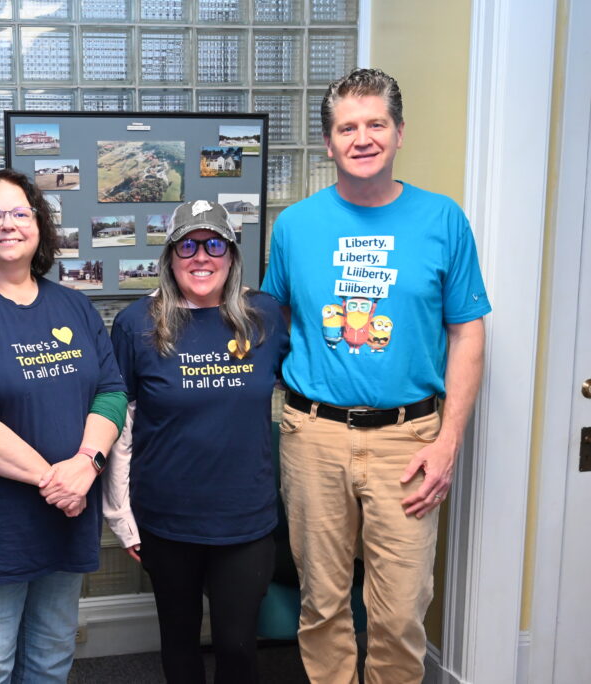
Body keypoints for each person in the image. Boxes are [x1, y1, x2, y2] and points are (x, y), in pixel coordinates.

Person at [260, 68, 490, 683]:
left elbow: (468, 331)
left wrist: (448, 442)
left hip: (409, 442)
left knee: (400, 611)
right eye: (347, 127)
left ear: (398, 133)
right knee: (323, 602)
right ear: (329, 143)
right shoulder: (295, 226)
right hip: (314, 436)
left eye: (375, 124)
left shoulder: (443, 220)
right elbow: (272, 318)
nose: (362, 138)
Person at [0, 168, 127, 683]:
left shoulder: (75, 306)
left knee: (50, 662)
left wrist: (87, 464)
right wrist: (58, 482)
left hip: (63, 525)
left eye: (19, 212)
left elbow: (112, 392)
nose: (7, 224)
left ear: (39, 226)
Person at [104, 199, 289, 684]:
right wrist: (120, 514)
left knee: (236, 646)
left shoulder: (264, 317)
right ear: (169, 257)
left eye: (214, 244)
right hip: (167, 518)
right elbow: (117, 423)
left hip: (244, 519)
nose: (200, 257)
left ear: (232, 255)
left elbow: (309, 385)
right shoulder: (136, 324)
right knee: (179, 642)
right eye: (187, 245)